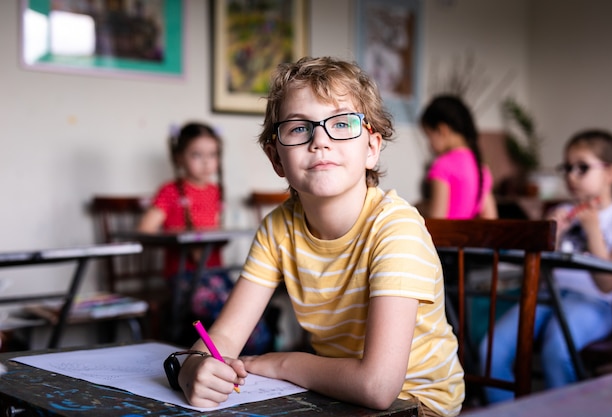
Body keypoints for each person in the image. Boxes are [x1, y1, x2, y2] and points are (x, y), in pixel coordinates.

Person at [177, 57, 465, 417]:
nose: (320, 140)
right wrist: (192, 367)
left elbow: (377, 387)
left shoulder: (397, 229)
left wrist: (282, 364)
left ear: (372, 149)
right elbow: (224, 338)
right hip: (337, 399)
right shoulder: (277, 228)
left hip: (419, 407)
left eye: (342, 123)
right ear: (276, 158)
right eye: (298, 128)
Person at [480, 129, 612, 403]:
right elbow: (533, 268)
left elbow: (607, 284)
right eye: (567, 167)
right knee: (491, 349)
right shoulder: (561, 213)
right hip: (547, 298)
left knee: (556, 350)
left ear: (611, 174)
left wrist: (593, 231)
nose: (571, 175)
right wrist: (551, 234)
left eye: (582, 167)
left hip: (593, 303)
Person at [138, 122, 272, 353]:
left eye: (212, 154)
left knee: (246, 311)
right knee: (225, 315)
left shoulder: (214, 191)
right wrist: (183, 237)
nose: (206, 161)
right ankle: (217, 359)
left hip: (215, 272)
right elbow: (144, 230)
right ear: (179, 158)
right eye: (197, 155)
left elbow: (216, 231)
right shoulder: (170, 191)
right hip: (184, 277)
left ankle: (248, 362)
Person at [417, 94, 497, 219]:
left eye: (429, 135)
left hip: (443, 238)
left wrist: (418, 208)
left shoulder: (443, 165)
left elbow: (437, 219)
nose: (429, 144)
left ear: (442, 130)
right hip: (469, 238)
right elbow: (490, 217)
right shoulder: (481, 167)